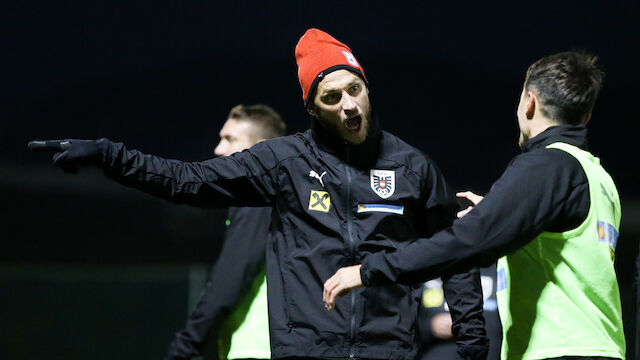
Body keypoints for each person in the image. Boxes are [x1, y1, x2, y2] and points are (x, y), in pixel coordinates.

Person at [29, 28, 488, 359]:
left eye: (355, 89)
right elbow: (186, 180)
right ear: (311, 106)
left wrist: (473, 347)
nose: (349, 105)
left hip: (391, 351)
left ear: (366, 86)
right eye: (332, 97)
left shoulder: (413, 166)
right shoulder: (284, 161)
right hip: (306, 350)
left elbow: (455, 256)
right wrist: (109, 155)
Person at [324, 52, 625, 360]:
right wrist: (504, 210)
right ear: (585, 117)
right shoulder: (597, 175)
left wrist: (369, 270)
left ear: (529, 102)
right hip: (603, 346)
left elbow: (468, 240)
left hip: (560, 350)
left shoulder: (545, 165)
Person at [164, 104, 285, 360]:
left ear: (261, 150)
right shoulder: (286, 195)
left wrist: (186, 345)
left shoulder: (258, 199)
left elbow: (231, 278)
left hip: (259, 349)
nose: (218, 149)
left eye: (230, 139)